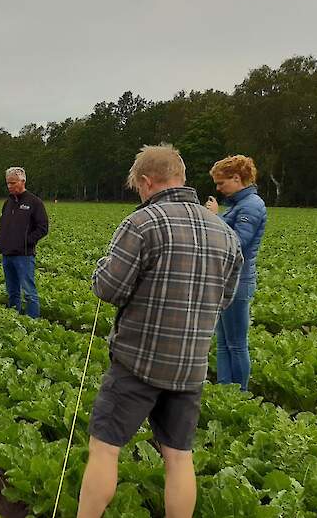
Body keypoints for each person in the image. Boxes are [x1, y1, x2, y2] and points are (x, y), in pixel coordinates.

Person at [77, 145, 242, 518]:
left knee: (105, 447)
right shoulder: (225, 232)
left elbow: (108, 288)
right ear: (182, 178)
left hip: (138, 362)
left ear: (147, 182)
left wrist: (103, 266)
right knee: (179, 456)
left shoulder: (143, 223)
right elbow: (225, 298)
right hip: (191, 366)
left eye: (139, 187)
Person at [205, 155, 267, 391]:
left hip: (239, 282)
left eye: (222, 183)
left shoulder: (251, 205)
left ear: (237, 178)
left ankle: (239, 393)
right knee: (223, 342)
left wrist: (215, 218)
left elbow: (239, 243)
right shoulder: (239, 205)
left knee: (237, 343)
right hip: (226, 281)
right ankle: (224, 389)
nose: (219, 189)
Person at [0, 166, 48, 318]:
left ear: (22, 181)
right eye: (8, 183)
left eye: (13, 183)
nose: (10, 186)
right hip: (7, 254)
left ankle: (32, 322)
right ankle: (14, 319)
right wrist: (0, 241)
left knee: (29, 292)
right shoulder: (8, 202)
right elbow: (2, 224)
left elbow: (43, 228)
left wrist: (25, 242)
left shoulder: (34, 202)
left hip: (24, 256)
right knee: (12, 292)